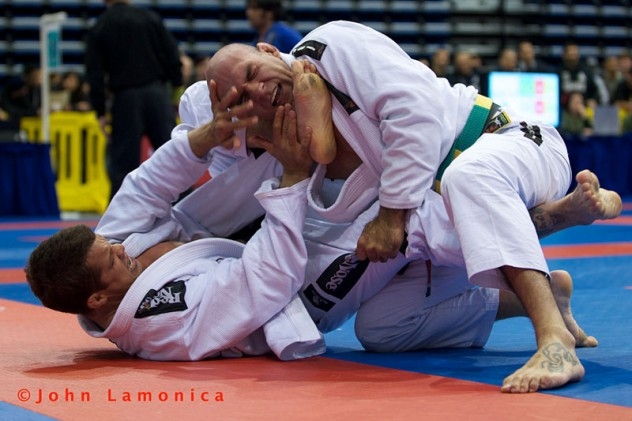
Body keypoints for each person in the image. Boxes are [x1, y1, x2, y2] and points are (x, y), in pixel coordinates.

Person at [204, 20, 623, 392]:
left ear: (268, 50)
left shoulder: (327, 49)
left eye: (253, 73)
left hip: (502, 143)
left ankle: (553, 338)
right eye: (242, 99)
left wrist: (390, 215)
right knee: (383, 326)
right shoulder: (288, 148)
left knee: (459, 185)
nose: (258, 91)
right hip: (434, 207)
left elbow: (416, 111)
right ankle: (541, 291)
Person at [26, 86, 327, 361]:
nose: (119, 249)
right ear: (98, 299)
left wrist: (208, 136)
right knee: (329, 195)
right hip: (284, 293)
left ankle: (308, 122)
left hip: (219, 239)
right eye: (111, 259)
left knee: (196, 99)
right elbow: (266, 277)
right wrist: (294, 179)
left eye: (109, 246)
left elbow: (145, 188)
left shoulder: (104, 251)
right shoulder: (165, 317)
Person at [85, 0, 183, 199]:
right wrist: (175, 95)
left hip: (126, 100)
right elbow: (173, 57)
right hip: (157, 95)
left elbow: (94, 74)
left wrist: (100, 111)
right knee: (175, 158)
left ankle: (119, 224)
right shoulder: (149, 18)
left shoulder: (100, 26)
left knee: (123, 165)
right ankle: (190, 213)